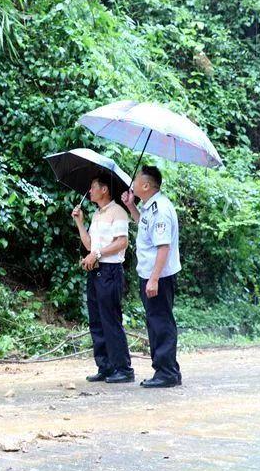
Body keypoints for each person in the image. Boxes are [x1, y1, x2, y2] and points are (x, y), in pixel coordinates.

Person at [121, 165, 182, 388]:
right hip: (149, 273)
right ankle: (169, 370)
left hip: (159, 276)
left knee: (160, 322)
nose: (133, 182)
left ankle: (166, 373)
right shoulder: (150, 206)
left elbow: (163, 247)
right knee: (155, 320)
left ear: (146, 186)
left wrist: (154, 278)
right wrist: (130, 206)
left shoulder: (161, 210)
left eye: (136, 180)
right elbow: (143, 225)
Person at [71, 173, 133, 384]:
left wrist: (97, 254)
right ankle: (105, 366)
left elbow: (121, 242)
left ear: (104, 190)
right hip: (95, 271)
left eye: (93, 187)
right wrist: (80, 223)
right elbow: (89, 245)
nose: (90, 191)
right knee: (96, 320)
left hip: (110, 271)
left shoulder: (118, 212)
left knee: (110, 320)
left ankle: (123, 369)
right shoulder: (97, 215)